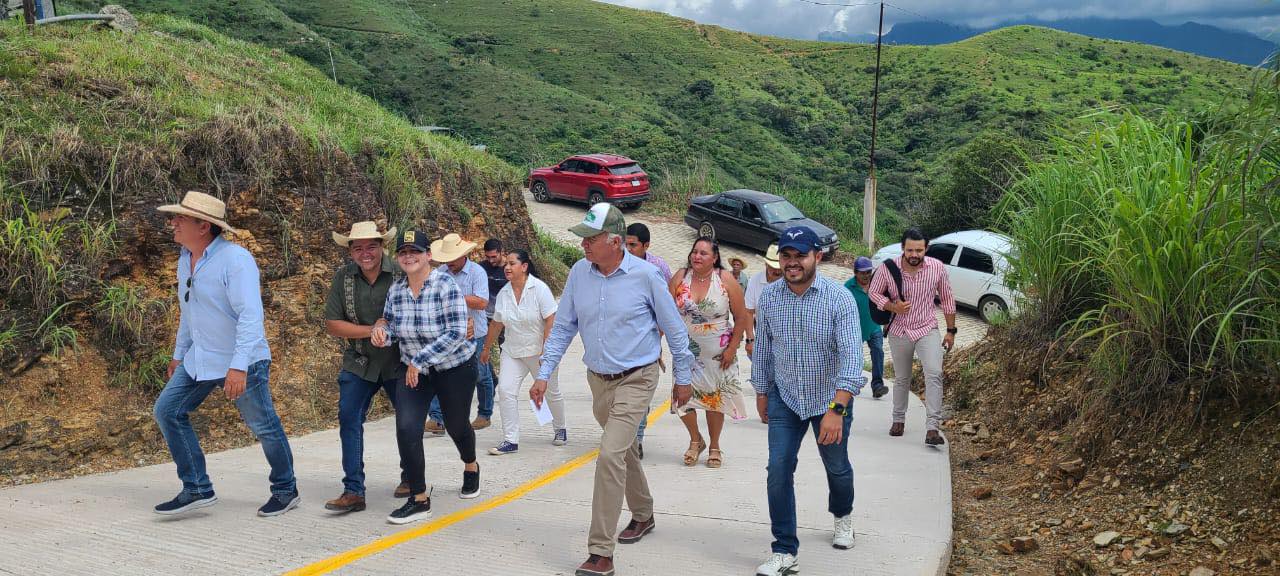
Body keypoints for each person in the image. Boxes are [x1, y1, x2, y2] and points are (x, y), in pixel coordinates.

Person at [530, 203, 694, 576]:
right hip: (598, 380)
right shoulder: (579, 273)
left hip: (638, 377)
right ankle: (644, 512)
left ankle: (600, 553)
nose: (583, 245)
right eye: (583, 238)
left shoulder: (646, 276)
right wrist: (543, 374)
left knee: (608, 455)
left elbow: (674, 328)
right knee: (622, 451)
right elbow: (563, 327)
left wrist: (682, 377)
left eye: (591, 238)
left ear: (615, 241)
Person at [151, 191, 298, 517]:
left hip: (242, 360)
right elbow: (189, 311)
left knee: (263, 426)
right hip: (200, 357)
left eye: (180, 218)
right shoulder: (185, 259)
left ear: (203, 226)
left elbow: (250, 316)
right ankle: (197, 488)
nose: (172, 223)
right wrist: (179, 353)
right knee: (167, 410)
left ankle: (286, 490)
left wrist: (239, 367)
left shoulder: (235, 260)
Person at [751, 225, 863, 576]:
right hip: (785, 397)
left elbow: (852, 358)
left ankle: (842, 515)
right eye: (786, 256)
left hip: (830, 399)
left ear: (818, 256)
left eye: (800, 255)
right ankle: (785, 550)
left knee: (837, 466)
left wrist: (837, 409)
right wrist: (761, 391)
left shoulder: (839, 299)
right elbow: (764, 349)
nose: (792, 262)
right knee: (778, 469)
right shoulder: (770, 298)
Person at [371, 230, 480, 524]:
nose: (409, 257)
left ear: (428, 256)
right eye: (403, 252)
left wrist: (419, 360)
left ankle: (470, 465)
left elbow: (457, 332)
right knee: (407, 428)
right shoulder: (396, 290)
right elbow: (392, 325)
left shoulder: (446, 285)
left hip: (454, 368)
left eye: (415, 251)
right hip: (414, 371)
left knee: (456, 425)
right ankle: (419, 498)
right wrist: (382, 334)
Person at [323, 221, 409, 513]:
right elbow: (333, 324)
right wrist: (372, 330)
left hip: (400, 361)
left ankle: (411, 477)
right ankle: (353, 490)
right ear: (350, 252)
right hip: (360, 362)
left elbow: (420, 312)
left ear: (382, 246)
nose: (365, 253)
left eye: (371, 246)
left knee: (407, 420)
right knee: (349, 417)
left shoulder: (401, 273)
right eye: (358, 248)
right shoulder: (343, 278)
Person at [868, 227, 957, 446]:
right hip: (899, 330)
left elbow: (947, 299)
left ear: (926, 248)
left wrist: (950, 331)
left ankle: (932, 428)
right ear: (902, 248)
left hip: (927, 328)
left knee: (934, 373)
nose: (914, 255)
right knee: (902, 378)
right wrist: (892, 306)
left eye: (919, 250)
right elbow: (873, 292)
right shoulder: (888, 268)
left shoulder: (937, 268)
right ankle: (898, 419)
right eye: (910, 250)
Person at [669, 237, 749, 469]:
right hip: (685, 351)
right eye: (695, 251)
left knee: (714, 399)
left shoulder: (725, 279)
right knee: (682, 399)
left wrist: (732, 348)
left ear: (714, 258)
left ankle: (714, 445)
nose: (697, 256)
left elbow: (741, 317)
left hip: (719, 353)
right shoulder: (681, 276)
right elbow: (664, 311)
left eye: (703, 253)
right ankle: (696, 439)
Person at [480, 249, 567, 455]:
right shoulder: (504, 293)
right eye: (506, 264)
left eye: (512, 263)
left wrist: (547, 351)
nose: (507, 267)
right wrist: (486, 348)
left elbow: (551, 320)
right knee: (505, 391)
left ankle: (560, 428)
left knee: (550, 392)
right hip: (513, 351)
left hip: (539, 353)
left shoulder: (539, 289)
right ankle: (511, 440)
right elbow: (496, 324)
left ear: (524, 266)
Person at [425, 233, 495, 432]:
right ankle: (437, 419)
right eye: (445, 259)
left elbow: (482, 302)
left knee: (480, 375)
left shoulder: (477, 273)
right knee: (439, 372)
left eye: (452, 259)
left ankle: (484, 414)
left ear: (463, 255)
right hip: (447, 332)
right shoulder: (440, 273)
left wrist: (453, 297)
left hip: (475, 333)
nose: (449, 263)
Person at [624, 222, 672, 459]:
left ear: (646, 246)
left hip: (647, 340)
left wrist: (659, 334)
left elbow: (667, 305)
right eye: (626, 244)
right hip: (620, 340)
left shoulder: (658, 268)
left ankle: (638, 439)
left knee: (640, 394)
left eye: (633, 245)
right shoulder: (615, 264)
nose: (628, 249)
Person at [843, 256, 889, 399]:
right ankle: (852, 383)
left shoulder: (878, 285)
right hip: (855, 329)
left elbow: (886, 304)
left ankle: (877, 386)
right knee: (855, 357)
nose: (866, 275)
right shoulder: (848, 288)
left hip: (874, 326)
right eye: (862, 273)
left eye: (868, 272)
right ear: (855, 272)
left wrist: (886, 322)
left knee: (878, 352)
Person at [743, 244, 783, 358]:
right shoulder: (754, 281)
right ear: (766, 264)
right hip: (762, 335)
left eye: (780, 267)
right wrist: (750, 340)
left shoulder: (790, 282)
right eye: (773, 267)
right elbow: (748, 312)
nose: (777, 271)